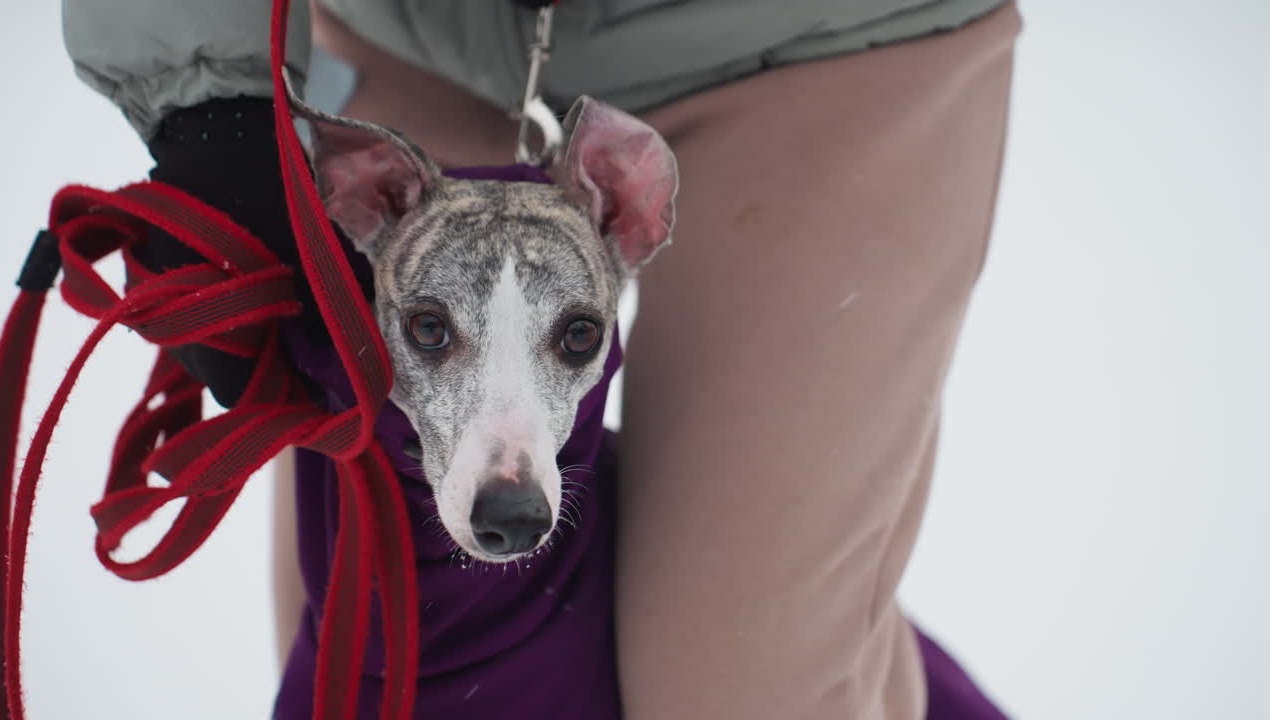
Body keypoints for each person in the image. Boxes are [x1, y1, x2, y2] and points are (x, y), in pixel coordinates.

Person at [61, 0, 1022, 717]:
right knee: (374, 648)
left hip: (813, 41)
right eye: (435, 333)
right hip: (412, 32)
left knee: (749, 678)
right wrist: (203, 101)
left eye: (573, 341)